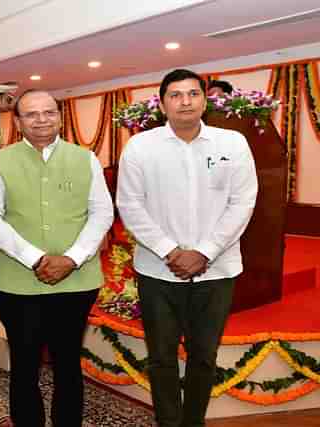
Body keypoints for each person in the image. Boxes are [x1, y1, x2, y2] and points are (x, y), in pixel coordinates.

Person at [116, 69, 258, 427]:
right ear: (163, 103)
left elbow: (242, 202)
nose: (185, 101)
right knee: (161, 357)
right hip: (157, 272)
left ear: (205, 99)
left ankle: (193, 421)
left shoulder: (232, 143)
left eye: (193, 94)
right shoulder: (140, 146)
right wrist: (170, 251)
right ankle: (168, 421)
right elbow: (130, 205)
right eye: (176, 95)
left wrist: (205, 252)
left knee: (204, 356)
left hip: (217, 271)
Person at [0, 89, 113, 427]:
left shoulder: (86, 159)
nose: (41, 120)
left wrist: (73, 258)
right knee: (24, 366)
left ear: (60, 116)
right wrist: (35, 258)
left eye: (48, 112)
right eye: (32, 114)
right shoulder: (0, 161)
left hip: (77, 283)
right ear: (18, 121)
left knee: (68, 364)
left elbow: (101, 213)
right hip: (17, 286)